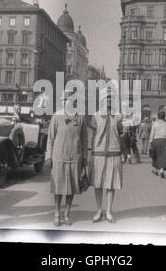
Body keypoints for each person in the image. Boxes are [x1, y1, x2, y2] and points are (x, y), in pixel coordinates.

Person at [45, 91, 88, 226]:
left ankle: (67, 214)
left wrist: (85, 157)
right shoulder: (56, 117)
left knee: (72, 187)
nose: (65, 102)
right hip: (59, 157)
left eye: (67, 100)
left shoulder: (80, 118)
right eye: (63, 100)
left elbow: (85, 140)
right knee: (58, 187)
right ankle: (57, 213)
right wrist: (48, 156)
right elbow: (50, 139)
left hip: (75, 157)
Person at [89, 88, 124, 223]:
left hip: (114, 153)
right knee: (98, 184)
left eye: (111, 98)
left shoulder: (119, 116)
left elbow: (121, 133)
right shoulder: (96, 116)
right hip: (98, 154)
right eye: (106, 98)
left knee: (111, 183)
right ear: (102, 100)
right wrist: (89, 154)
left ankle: (109, 211)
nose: (109, 100)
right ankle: (99, 210)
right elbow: (92, 136)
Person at [148, 111, 166, 178]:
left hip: (156, 140)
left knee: (155, 155)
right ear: (164, 117)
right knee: (163, 156)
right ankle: (162, 171)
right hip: (164, 140)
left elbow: (152, 133)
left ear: (158, 116)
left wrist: (150, 141)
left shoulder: (155, 124)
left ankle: (156, 170)